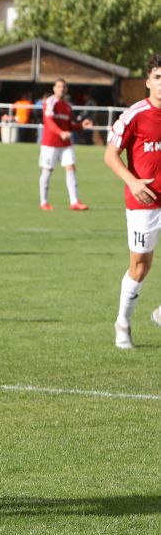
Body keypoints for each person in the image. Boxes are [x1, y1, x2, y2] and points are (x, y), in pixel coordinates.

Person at [104, 54, 161, 349]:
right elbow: (110, 155)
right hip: (144, 202)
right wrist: (133, 181)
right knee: (140, 266)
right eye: (158, 78)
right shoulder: (134, 114)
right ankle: (122, 324)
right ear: (148, 81)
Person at [38, 79, 93, 211]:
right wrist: (60, 132)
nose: (61, 89)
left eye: (63, 87)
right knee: (47, 171)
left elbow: (69, 125)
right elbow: (49, 121)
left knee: (71, 168)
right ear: (54, 88)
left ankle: (74, 202)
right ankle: (43, 202)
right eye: (59, 86)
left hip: (65, 143)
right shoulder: (50, 102)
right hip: (50, 143)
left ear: (66, 89)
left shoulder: (67, 106)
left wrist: (81, 126)